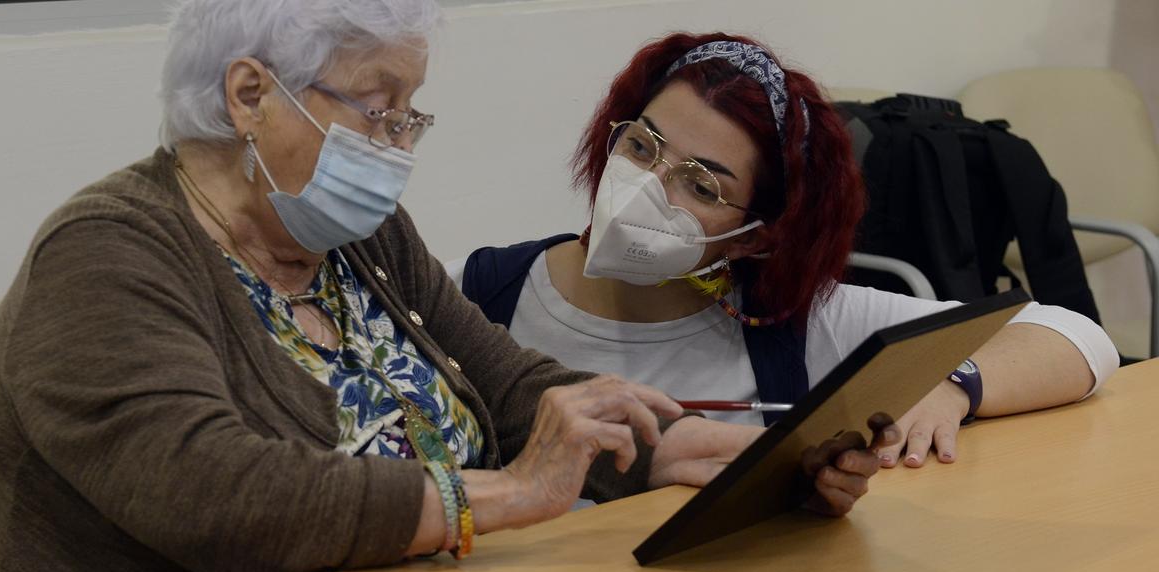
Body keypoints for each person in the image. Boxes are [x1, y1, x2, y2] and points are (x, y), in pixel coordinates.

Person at [0, 3, 890, 572]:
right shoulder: (103, 256)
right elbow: (218, 493)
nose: (401, 143)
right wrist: (499, 495)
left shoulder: (353, 236)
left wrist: (681, 447)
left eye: (410, 114)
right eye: (380, 111)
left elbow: (508, 382)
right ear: (250, 95)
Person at [450, 32, 1119, 468]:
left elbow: (1078, 337)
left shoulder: (782, 322)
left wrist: (954, 384)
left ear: (760, 232)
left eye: (701, 183)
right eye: (642, 147)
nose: (647, 189)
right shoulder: (480, 296)